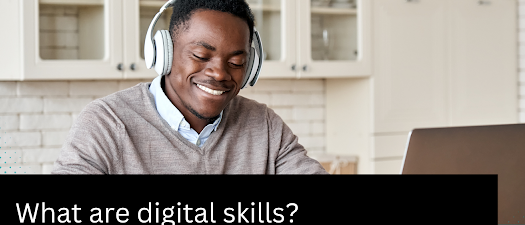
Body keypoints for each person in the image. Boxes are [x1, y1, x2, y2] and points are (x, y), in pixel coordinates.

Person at [52, 0, 327, 175]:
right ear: (164, 53)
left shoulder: (264, 126)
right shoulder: (107, 123)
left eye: (236, 61)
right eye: (200, 56)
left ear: (251, 66)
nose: (219, 73)